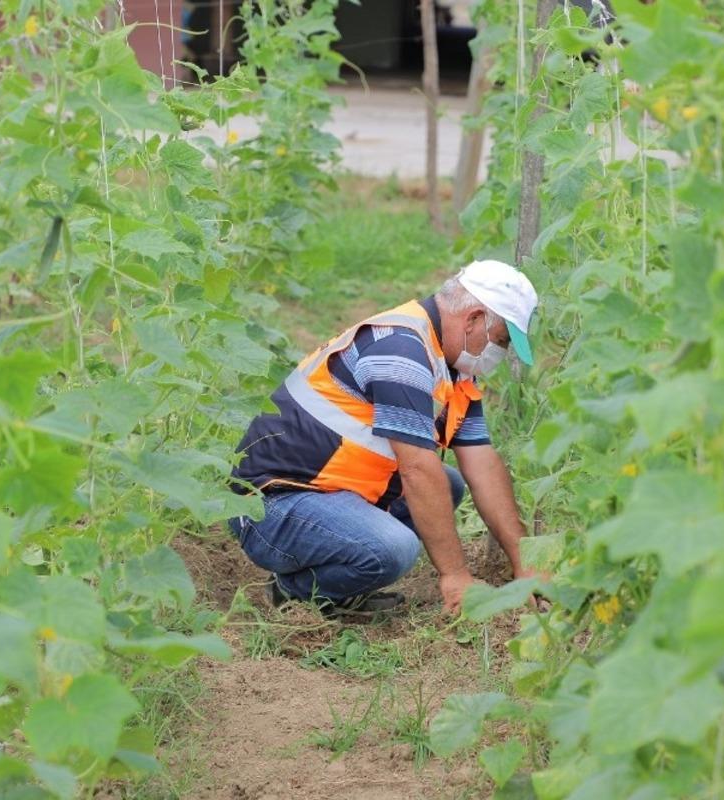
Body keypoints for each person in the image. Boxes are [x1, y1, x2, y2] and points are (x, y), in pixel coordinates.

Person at [228, 259, 541, 617]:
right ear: (472, 319)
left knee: (449, 485)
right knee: (392, 548)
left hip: (323, 489)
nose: (498, 355)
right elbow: (418, 470)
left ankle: (340, 576)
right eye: (500, 341)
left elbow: (482, 462)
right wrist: (456, 577)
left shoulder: (452, 368)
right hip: (269, 506)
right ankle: (294, 590)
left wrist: (526, 561)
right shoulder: (401, 352)